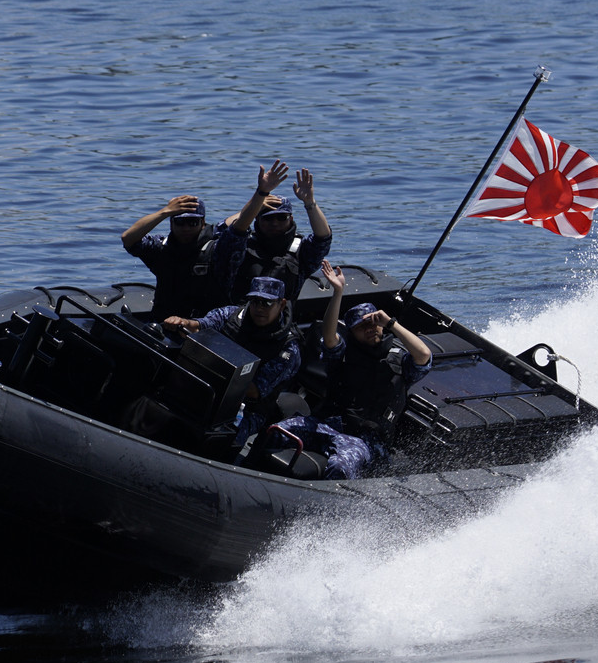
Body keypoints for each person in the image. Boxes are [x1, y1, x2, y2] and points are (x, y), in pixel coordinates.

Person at [268, 260, 433, 479]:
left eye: (373, 323)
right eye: (362, 326)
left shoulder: (400, 362)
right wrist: (338, 292)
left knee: (340, 466)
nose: (370, 329)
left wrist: (391, 323)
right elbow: (329, 336)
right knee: (274, 433)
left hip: (364, 441)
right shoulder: (343, 354)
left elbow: (423, 355)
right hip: (328, 424)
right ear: (352, 333)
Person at [162, 276, 301, 439]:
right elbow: (201, 326)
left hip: (247, 408)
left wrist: (210, 366)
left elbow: (253, 390)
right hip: (208, 388)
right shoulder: (231, 315)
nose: (259, 308)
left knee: (226, 434)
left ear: (281, 304)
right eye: (254, 301)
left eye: (267, 303)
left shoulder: (288, 349)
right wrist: (183, 323)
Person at [213, 160, 332, 306]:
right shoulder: (242, 247)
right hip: (239, 315)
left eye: (281, 218)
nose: (275, 223)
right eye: (268, 218)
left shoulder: (300, 252)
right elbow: (231, 231)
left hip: (282, 317)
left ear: (291, 219)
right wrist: (259, 197)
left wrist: (310, 202)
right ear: (257, 219)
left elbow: (323, 239)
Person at [121, 193, 223, 321]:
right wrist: (165, 212)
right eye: (180, 222)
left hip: (205, 325)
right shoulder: (161, 248)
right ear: (171, 223)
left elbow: (238, 226)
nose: (186, 228)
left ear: (202, 223)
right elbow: (128, 239)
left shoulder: (218, 248)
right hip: (164, 323)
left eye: (192, 222)